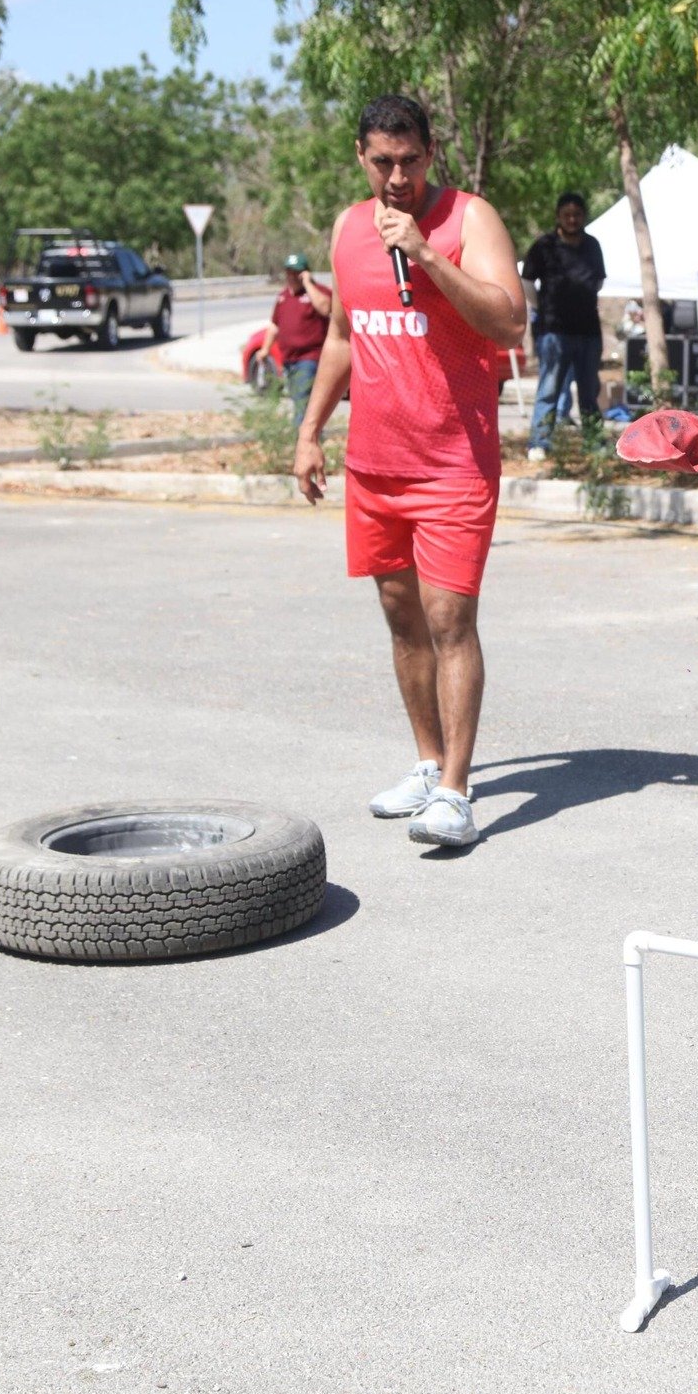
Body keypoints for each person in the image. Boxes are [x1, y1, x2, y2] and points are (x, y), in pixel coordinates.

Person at [295, 93, 526, 849]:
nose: (396, 178)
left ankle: (457, 793)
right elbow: (341, 336)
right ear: (360, 157)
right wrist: (309, 432)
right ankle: (428, 765)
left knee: (451, 622)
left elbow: (508, 319)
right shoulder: (346, 228)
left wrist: (427, 252)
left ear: (432, 154)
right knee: (403, 624)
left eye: (410, 161)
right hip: (374, 466)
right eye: (381, 162)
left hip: (454, 462)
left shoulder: (469, 218)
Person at [521, 191, 607, 460]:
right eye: (567, 215)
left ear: (583, 217)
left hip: (588, 332)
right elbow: (526, 282)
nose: (572, 219)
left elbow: (599, 281)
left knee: (589, 391)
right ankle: (539, 442)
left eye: (577, 215)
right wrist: (542, 307)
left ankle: (593, 441)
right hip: (553, 333)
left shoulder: (592, 245)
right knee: (548, 390)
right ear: (558, 216)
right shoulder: (543, 245)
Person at [262, 252, 334, 428]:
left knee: (303, 403)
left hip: (309, 359)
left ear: (305, 273)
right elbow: (274, 326)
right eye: (289, 272)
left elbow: (326, 309)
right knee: (298, 401)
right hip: (289, 360)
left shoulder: (318, 292)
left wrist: (308, 284)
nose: (292, 277)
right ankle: (311, 436)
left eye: (297, 272)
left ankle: (300, 439)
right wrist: (265, 349)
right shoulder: (283, 297)